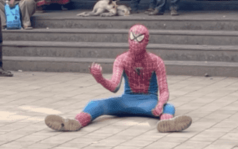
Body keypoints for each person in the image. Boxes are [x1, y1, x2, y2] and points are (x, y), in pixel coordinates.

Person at [45, 24, 192, 133]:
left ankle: (167, 123)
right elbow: (114, 86)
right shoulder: (121, 60)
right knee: (96, 104)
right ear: (128, 38)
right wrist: (100, 78)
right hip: (126, 101)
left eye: (139, 39)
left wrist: (160, 104)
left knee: (169, 106)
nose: (135, 42)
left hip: (150, 103)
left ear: (146, 41)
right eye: (132, 38)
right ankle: (76, 122)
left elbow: (164, 90)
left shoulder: (156, 61)